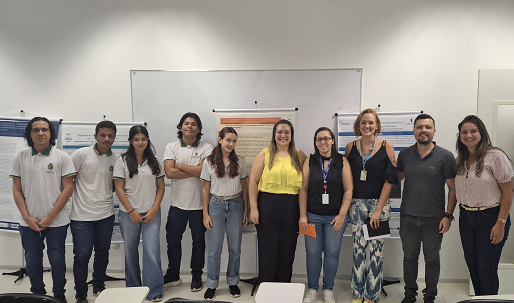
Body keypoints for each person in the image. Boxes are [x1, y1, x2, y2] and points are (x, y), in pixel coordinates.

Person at [10, 117, 76, 303]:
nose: (40, 133)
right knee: (32, 262)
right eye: (36, 130)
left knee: (57, 260)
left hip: (57, 221)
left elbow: (68, 188)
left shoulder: (62, 157)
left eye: (45, 129)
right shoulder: (21, 157)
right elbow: (16, 190)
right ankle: (38, 294)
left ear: (51, 133)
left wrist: (50, 217)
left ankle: (59, 294)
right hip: (28, 222)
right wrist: (26, 217)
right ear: (29, 134)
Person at [396, 113, 456, 303]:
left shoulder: (445, 156)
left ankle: (429, 297)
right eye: (420, 127)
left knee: (432, 260)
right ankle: (409, 295)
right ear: (414, 131)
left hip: (434, 218)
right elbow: (396, 179)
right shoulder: (404, 154)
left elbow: (453, 189)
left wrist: (448, 215)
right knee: (409, 259)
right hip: (408, 217)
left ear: (434, 131)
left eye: (428, 127)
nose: (424, 131)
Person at [454, 115, 513, 296]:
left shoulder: (495, 156)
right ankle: (481, 300)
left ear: (481, 133)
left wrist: (500, 222)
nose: (468, 135)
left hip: (491, 217)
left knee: (486, 269)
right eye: (464, 132)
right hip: (466, 218)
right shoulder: (461, 159)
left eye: (473, 131)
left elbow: (508, 192)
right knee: (473, 267)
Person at [345, 109, 398, 303]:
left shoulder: (387, 146)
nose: (367, 126)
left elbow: (390, 180)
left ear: (377, 125)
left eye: (371, 123)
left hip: (379, 206)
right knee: (358, 250)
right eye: (363, 123)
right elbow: (347, 178)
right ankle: (357, 293)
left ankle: (371, 295)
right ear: (358, 125)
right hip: (357, 204)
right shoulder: (350, 147)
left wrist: (377, 210)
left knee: (376, 252)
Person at [299, 127, 354, 303]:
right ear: (315, 142)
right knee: (313, 253)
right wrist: (303, 215)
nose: (323, 142)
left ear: (332, 140)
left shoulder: (342, 161)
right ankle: (313, 289)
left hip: (335, 218)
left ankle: (328, 289)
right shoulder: (309, 161)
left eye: (326, 138)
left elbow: (349, 188)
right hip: (312, 216)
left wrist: (341, 215)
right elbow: (303, 188)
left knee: (332, 253)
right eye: (319, 139)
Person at [249, 119, 306, 283]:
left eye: (287, 132)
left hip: (291, 207)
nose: (283, 135)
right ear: (274, 135)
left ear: (291, 135)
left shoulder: (299, 155)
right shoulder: (264, 154)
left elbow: (304, 187)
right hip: (267, 205)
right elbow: (253, 181)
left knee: (287, 250)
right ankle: (267, 286)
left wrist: (302, 214)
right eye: (279, 132)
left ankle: (283, 287)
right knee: (268, 249)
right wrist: (254, 208)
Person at [113, 125, 165, 302]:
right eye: (136, 139)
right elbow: (118, 188)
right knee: (130, 251)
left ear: (148, 140)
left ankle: (154, 289)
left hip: (152, 213)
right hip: (129, 214)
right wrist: (131, 211)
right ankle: (133, 288)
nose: (140, 142)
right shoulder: (122, 160)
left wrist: (154, 209)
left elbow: (161, 187)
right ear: (130, 141)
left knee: (151, 251)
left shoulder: (155, 161)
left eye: (143, 139)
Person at [163, 112, 213, 291]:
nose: (189, 126)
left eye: (193, 124)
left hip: (200, 206)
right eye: (186, 123)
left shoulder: (207, 147)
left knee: (199, 242)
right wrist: (196, 170)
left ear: (199, 129)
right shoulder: (172, 146)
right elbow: (169, 173)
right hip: (177, 205)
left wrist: (180, 165)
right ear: (180, 127)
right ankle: (173, 274)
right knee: (172, 241)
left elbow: (204, 172)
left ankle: (197, 275)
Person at [69, 121, 117, 303]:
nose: (106, 139)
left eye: (110, 135)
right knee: (82, 255)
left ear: (114, 137)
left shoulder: (117, 158)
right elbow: (67, 181)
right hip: (81, 216)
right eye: (103, 135)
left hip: (105, 214)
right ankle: (80, 291)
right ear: (95, 136)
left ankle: (98, 284)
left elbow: (115, 186)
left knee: (102, 252)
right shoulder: (81, 154)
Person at [200, 127, 248, 300]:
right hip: (215, 205)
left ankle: (233, 282)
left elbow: (244, 187)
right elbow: (205, 189)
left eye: (234, 141)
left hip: (236, 204)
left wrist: (246, 210)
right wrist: (205, 213)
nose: (231, 144)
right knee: (214, 249)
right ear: (220, 140)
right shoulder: (208, 162)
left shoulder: (240, 161)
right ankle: (212, 284)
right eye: (228, 140)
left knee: (235, 247)